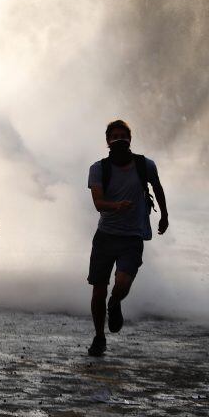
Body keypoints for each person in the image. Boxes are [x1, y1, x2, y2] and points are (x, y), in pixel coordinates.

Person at [86, 120, 168, 356]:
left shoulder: (145, 165)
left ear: (130, 139)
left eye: (124, 135)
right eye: (115, 136)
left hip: (132, 237)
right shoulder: (99, 168)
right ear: (108, 141)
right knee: (98, 290)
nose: (120, 139)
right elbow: (98, 203)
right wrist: (116, 206)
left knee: (122, 284)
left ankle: (115, 302)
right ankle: (99, 337)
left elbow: (158, 188)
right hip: (105, 237)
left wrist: (164, 215)